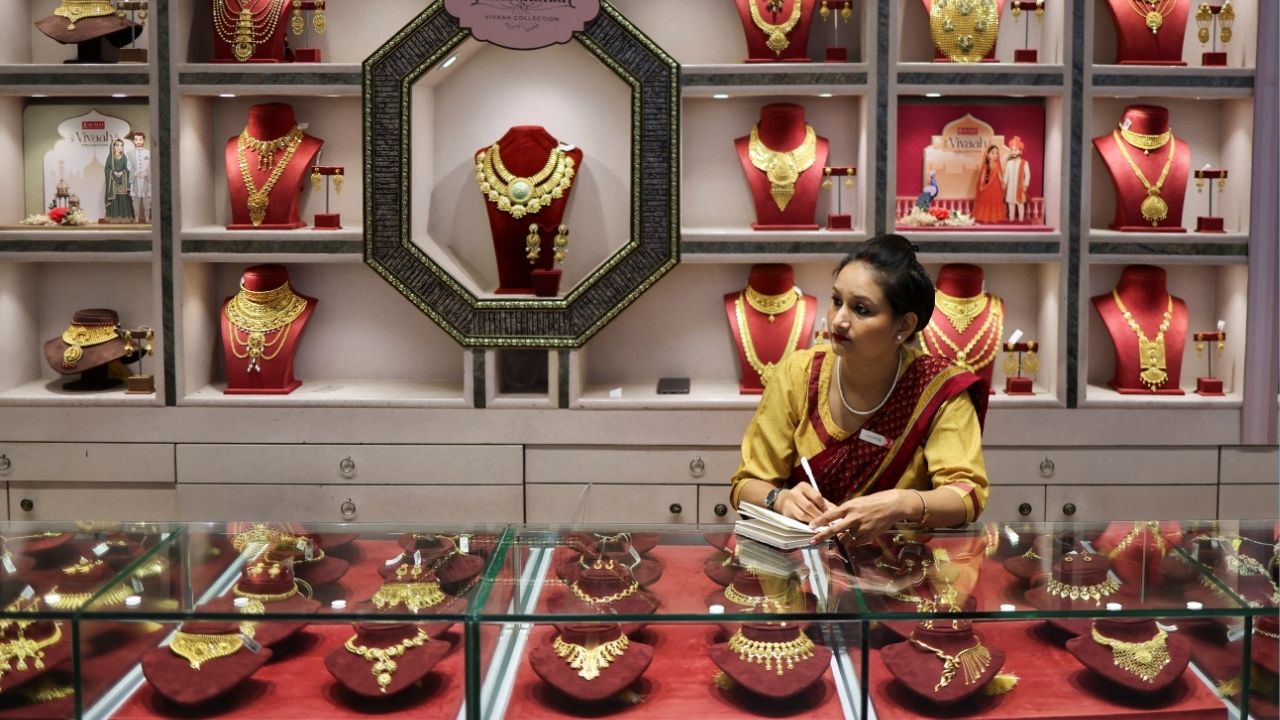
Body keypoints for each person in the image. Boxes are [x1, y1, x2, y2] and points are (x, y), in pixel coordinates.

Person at [729, 234, 989, 543]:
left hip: (903, 572)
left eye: (861, 309)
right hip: (805, 566)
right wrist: (780, 500)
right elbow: (744, 486)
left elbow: (967, 496)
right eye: (837, 301)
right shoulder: (800, 373)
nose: (838, 320)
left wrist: (900, 503)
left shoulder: (936, 389)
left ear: (903, 326)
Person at [971, 143, 1006, 224]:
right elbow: (983, 175)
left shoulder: (997, 165)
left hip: (996, 186)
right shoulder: (986, 164)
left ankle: (994, 217)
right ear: (988, 154)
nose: (995, 155)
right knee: (986, 201)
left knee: (994, 200)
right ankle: (986, 217)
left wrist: (1002, 183)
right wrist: (981, 185)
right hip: (987, 186)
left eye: (997, 153)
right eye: (992, 153)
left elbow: (999, 175)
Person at [103, 138, 132, 223]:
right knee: (114, 198)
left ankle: (124, 217)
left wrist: (123, 172)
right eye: (117, 145)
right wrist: (113, 172)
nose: (120, 147)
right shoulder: (110, 157)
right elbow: (106, 169)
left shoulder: (124, 157)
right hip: (113, 181)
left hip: (123, 180)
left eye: (121, 146)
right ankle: (114, 217)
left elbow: (127, 169)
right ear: (113, 147)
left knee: (123, 198)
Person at [1003, 135, 1030, 223]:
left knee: (1020, 203)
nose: (1013, 151)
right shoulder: (1008, 163)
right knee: (1010, 203)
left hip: (1020, 186)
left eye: (1015, 149)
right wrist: (1004, 183)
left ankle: (1021, 219)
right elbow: (1006, 175)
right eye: (1012, 150)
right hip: (1010, 187)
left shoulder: (1024, 162)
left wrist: (1025, 184)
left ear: (1020, 151)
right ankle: (1011, 218)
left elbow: (1028, 175)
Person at [127, 130, 151, 223]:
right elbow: (128, 166)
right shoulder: (130, 153)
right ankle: (136, 218)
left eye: (140, 139)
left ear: (143, 140)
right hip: (136, 180)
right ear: (133, 141)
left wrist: (146, 173)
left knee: (147, 200)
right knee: (135, 201)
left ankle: (147, 218)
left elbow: (151, 165)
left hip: (146, 180)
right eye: (136, 140)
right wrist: (136, 173)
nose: (138, 142)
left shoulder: (149, 153)